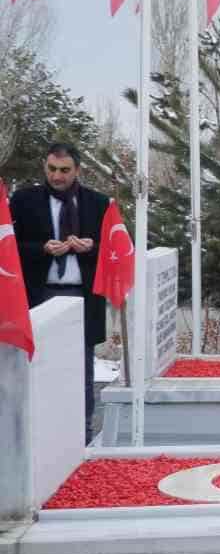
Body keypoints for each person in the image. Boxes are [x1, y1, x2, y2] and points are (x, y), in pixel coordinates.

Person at [9, 143, 111, 439]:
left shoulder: (98, 203)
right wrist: (41, 249)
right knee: (37, 367)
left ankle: (82, 432)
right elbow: (10, 248)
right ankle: (36, 434)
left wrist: (92, 248)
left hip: (82, 295)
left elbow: (116, 250)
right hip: (40, 296)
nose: (57, 176)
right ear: (45, 167)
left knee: (81, 370)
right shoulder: (25, 200)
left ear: (77, 170)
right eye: (52, 169)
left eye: (64, 170)